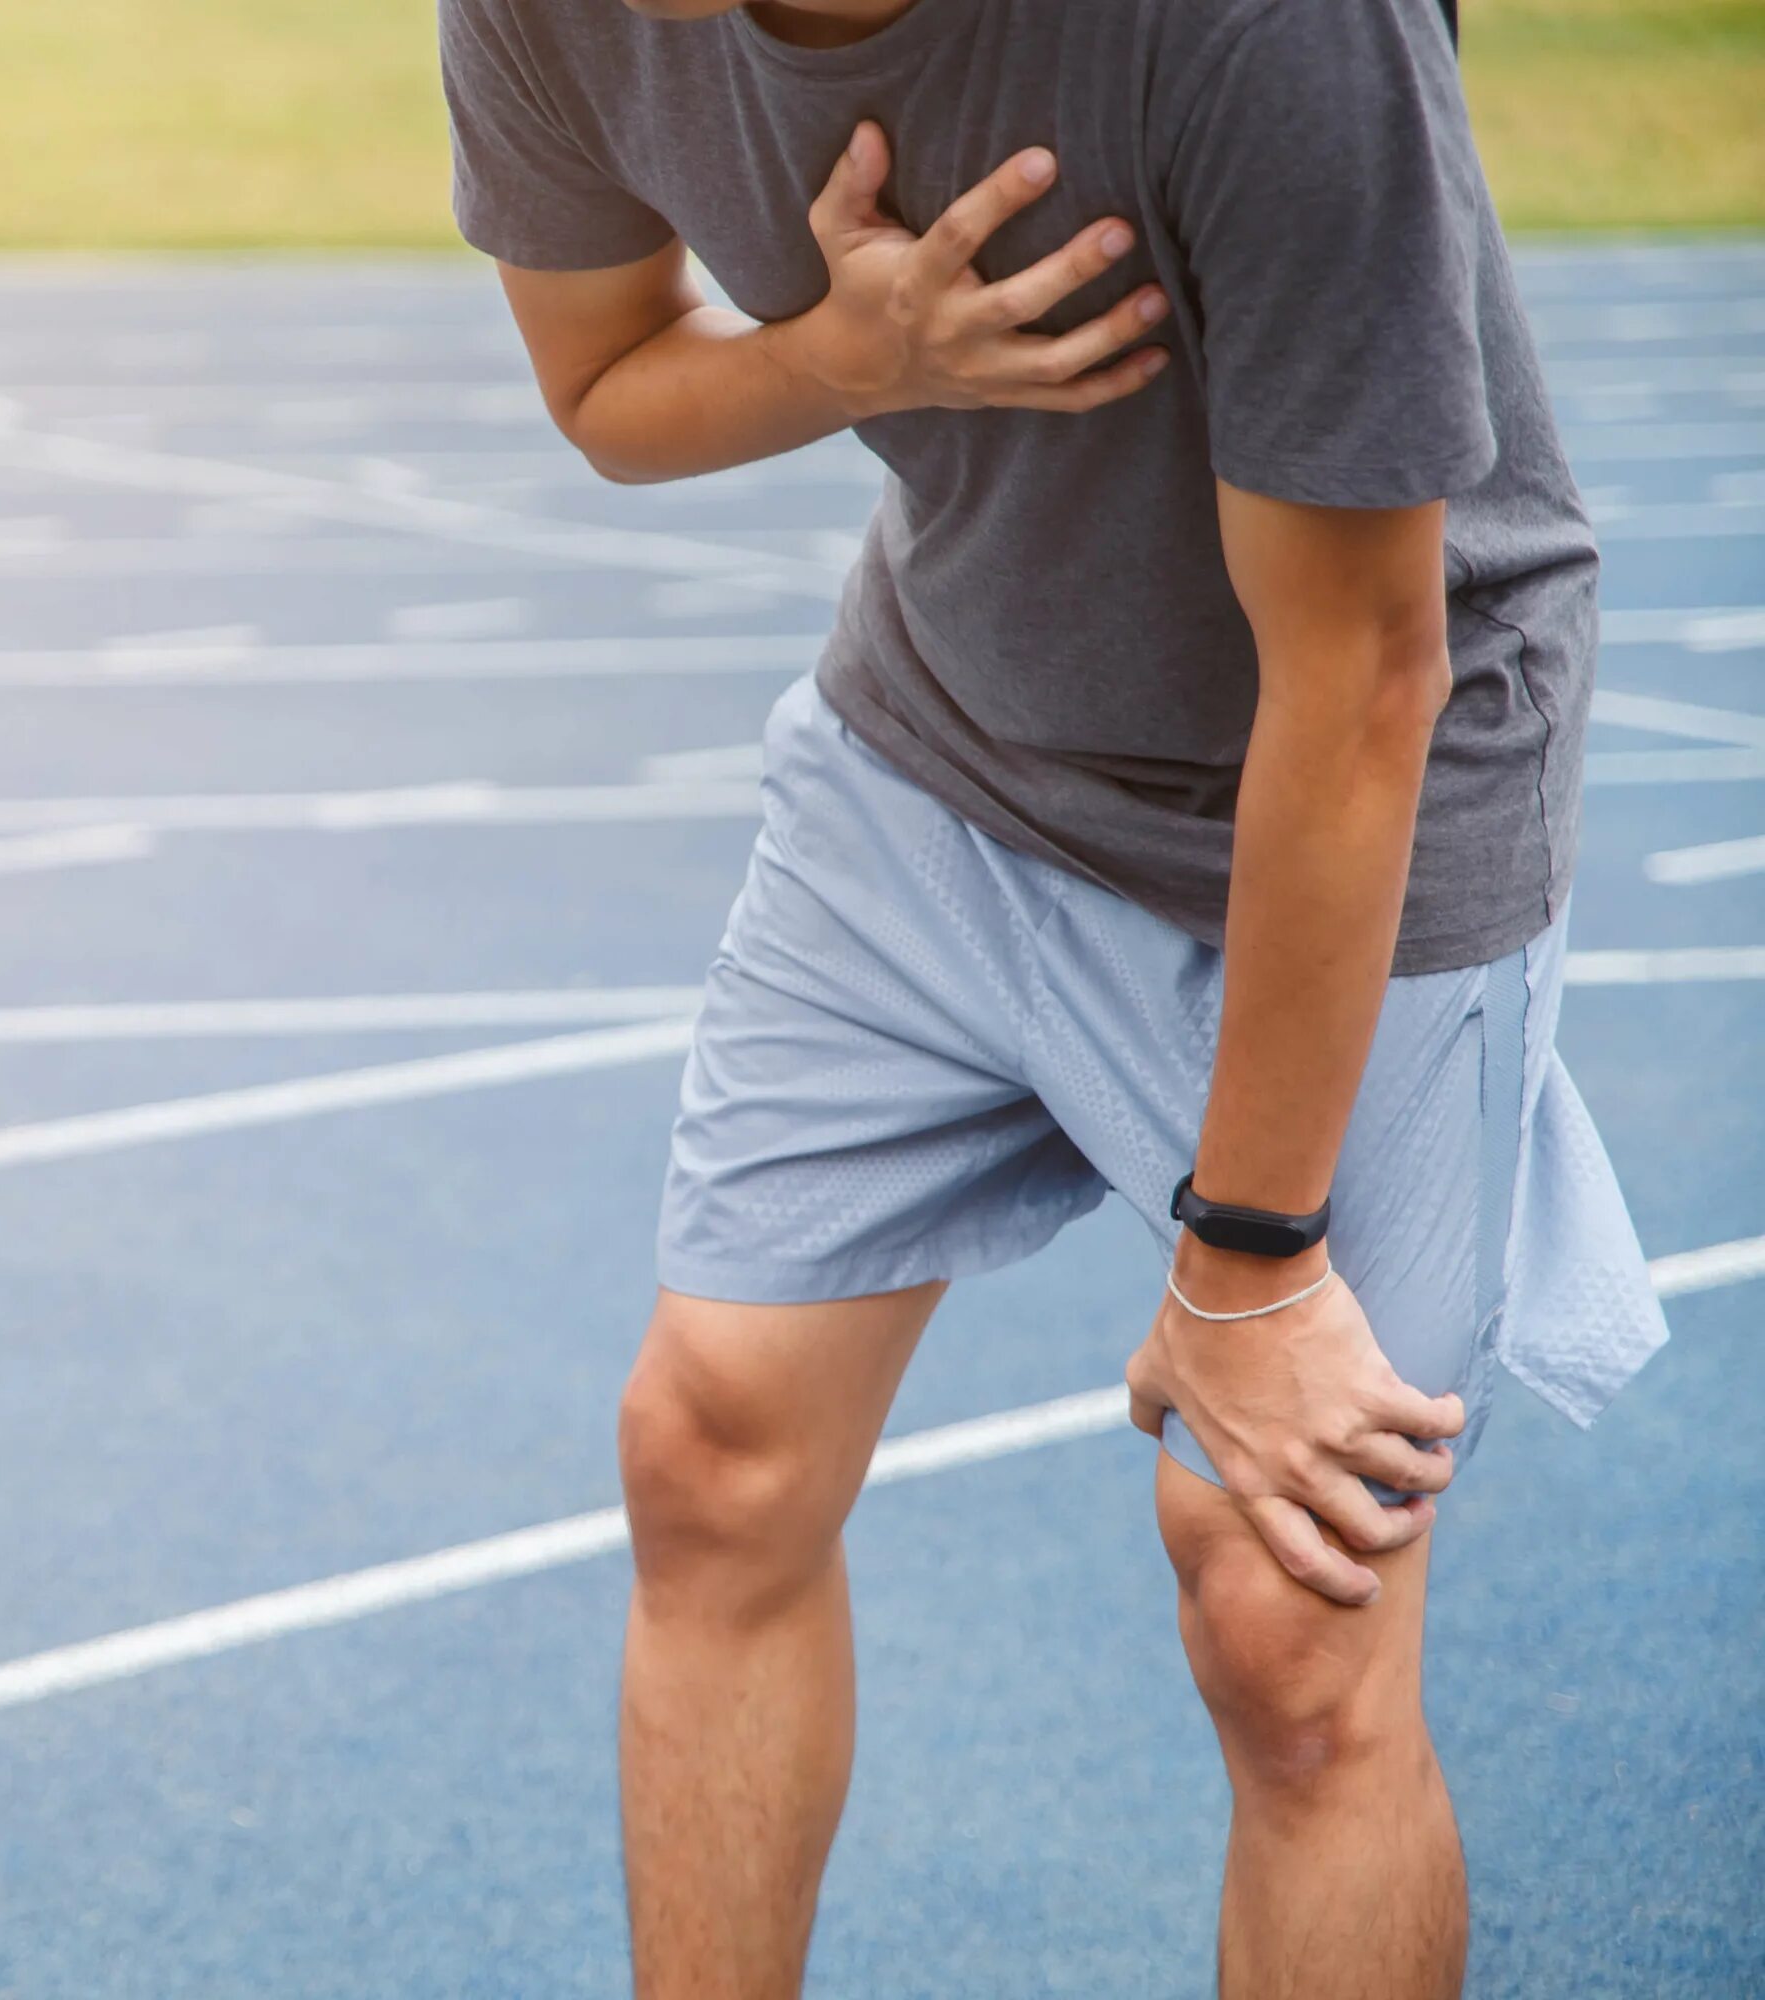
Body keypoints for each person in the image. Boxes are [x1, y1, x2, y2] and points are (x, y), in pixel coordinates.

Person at [434, 0, 1670, 1993]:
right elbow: (602, 385)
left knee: (1290, 1621)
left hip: (1358, 783)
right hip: (946, 743)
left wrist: (1251, 1264)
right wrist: (843, 360)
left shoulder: (1267, 30)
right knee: (710, 1449)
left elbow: (1359, 681)